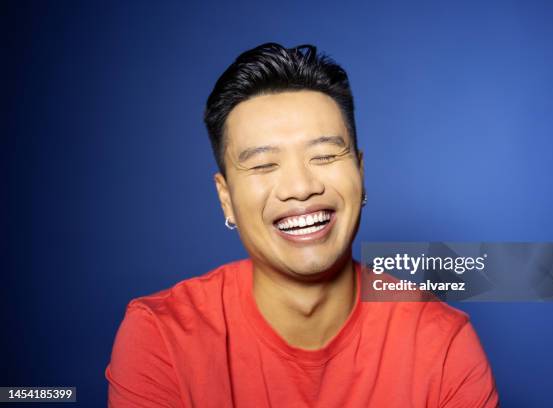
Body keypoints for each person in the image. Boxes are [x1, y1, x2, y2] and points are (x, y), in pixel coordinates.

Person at [105, 42, 499, 407]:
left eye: (326, 156)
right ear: (225, 197)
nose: (301, 188)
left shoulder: (441, 342)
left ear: (360, 172)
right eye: (263, 164)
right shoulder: (162, 337)